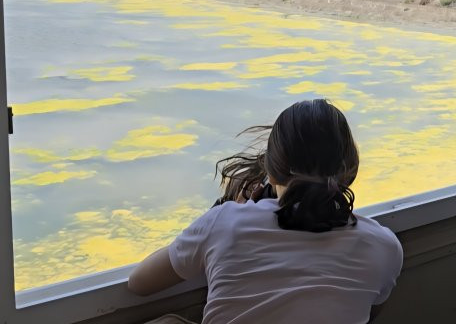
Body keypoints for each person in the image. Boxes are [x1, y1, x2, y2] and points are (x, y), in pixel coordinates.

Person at [128, 99, 403, 324]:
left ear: (270, 172)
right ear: (350, 168)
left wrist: (227, 211)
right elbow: (370, 311)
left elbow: (139, 283)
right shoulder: (384, 246)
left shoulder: (226, 222)